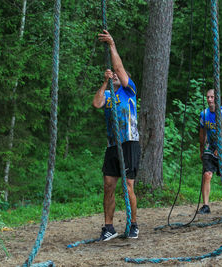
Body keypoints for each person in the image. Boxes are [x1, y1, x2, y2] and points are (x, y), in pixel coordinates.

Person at [92, 30, 140, 240]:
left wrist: (112, 44)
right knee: (108, 185)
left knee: (127, 185)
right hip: (113, 145)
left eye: (119, 75)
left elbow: (119, 68)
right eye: (115, 76)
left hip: (129, 142)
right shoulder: (109, 94)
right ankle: (109, 227)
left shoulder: (129, 91)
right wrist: (105, 82)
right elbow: (96, 103)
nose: (117, 76)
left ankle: (133, 224)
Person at [198, 89, 222, 214]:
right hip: (210, 148)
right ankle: (206, 206)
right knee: (207, 174)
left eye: (212, 97)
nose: (209, 100)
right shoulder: (204, 114)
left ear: (217, 98)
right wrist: (202, 150)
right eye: (208, 97)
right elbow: (202, 134)